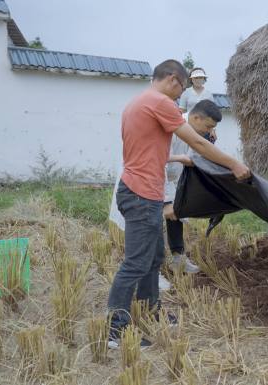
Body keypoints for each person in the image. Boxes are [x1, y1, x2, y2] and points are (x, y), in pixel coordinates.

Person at [108, 60, 250, 349]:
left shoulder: (137, 102)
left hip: (143, 191)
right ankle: (116, 330)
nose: (181, 95)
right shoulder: (159, 102)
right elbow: (197, 144)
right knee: (136, 262)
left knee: (153, 256)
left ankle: (151, 309)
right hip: (141, 194)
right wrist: (234, 163)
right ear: (173, 80)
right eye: (182, 88)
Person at [163, 99, 222, 273]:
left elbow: (195, 157)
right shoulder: (172, 128)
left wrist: (209, 142)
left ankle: (178, 259)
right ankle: (153, 270)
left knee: (175, 216)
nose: (210, 130)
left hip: (174, 177)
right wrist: (165, 199)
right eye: (209, 126)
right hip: (155, 177)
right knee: (152, 224)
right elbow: (158, 162)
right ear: (196, 118)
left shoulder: (197, 132)